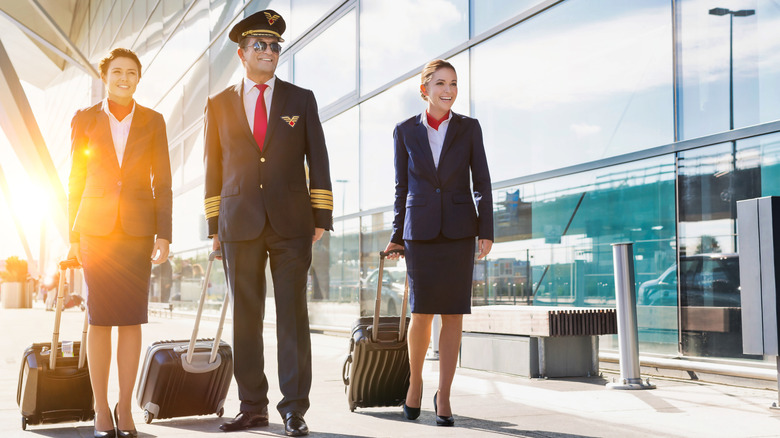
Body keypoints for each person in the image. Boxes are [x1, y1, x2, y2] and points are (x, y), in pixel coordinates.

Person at [203, 9, 333, 437]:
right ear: (242, 53)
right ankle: (252, 407)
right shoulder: (219, 105)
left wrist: (321, 215)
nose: (269, 51)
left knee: (292, 317)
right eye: (260, 45)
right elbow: (213, 169)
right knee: (246, 318)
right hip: (238, 223)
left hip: (292, 223)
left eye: (275, 45)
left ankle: (294, 408)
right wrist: (213, 228)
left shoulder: (301, 99)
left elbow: (319, 158)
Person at [67, 47, 172, 438]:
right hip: (95, 230)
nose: (123, 78)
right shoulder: (84, 119)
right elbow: (75, 179)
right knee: (99, 319)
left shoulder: (154, 121)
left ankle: (124, 408)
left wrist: (164, 233)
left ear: (138, 79)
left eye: (131, 72)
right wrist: (71, 236)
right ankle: (100, 410)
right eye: (117, 72)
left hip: (137, 231)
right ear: (105, 76)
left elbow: (162, 182)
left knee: (130, 319)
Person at [384, 59, 493, 427]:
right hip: (421, 232)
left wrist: (487, 229)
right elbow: (401, 188)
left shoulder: (469, 128)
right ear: (424, 89)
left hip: (461, 231)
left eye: (454, 84)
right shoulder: (404, 131)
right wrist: (397, 235)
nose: (449, 90)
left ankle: (444, 394)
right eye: (441, 83)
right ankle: (415, 383)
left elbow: (483, 181)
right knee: (422, 313)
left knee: (453, 315)